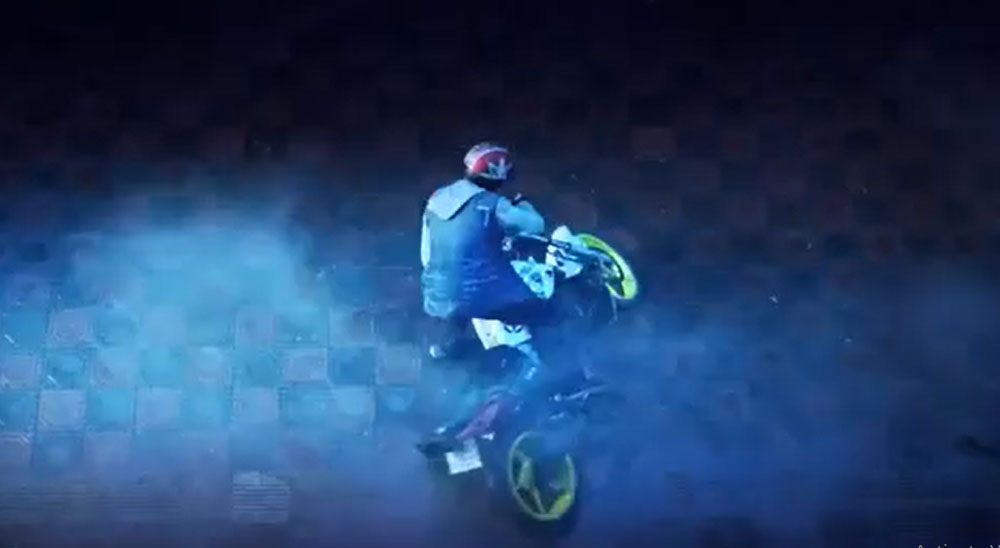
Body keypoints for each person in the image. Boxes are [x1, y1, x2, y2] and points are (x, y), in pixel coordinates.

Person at [420, 142, 549, 360]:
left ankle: (448, 350)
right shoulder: (493, 204)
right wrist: (522, 202)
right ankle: (542, 366)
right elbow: (535, 226)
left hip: (437, 295)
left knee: (458, 309)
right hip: (486, 293)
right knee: (547, 313)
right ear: (498, 173)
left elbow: (426, 256)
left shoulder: (435, 200)